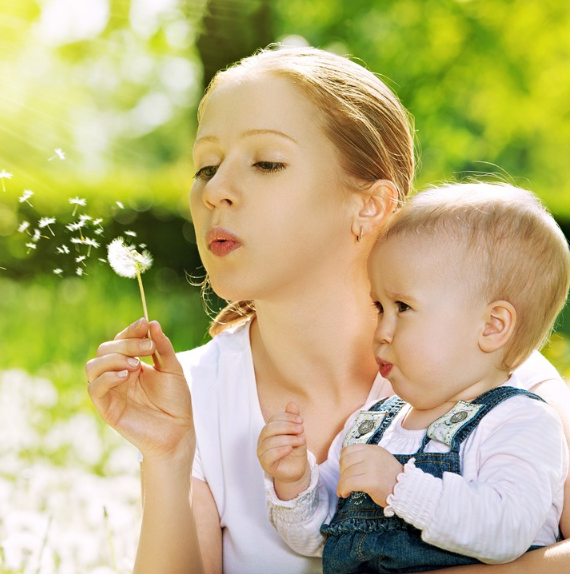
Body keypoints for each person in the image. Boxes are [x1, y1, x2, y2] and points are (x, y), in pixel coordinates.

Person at [84, 44, 570, 573]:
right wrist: (168, 458)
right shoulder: (194, 397)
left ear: (370, 205)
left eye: (267, 162)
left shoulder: (495, 374)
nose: (216, 191)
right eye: (205, 167)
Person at [260, 182, 569, 572]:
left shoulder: (519, 421)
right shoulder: (371, 424)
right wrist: (296, 483)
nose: (382, 330)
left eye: (403, 306)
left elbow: (506, 532)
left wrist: (399, 487)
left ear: (492, 326)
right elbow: (318, 538)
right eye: (379, 307)